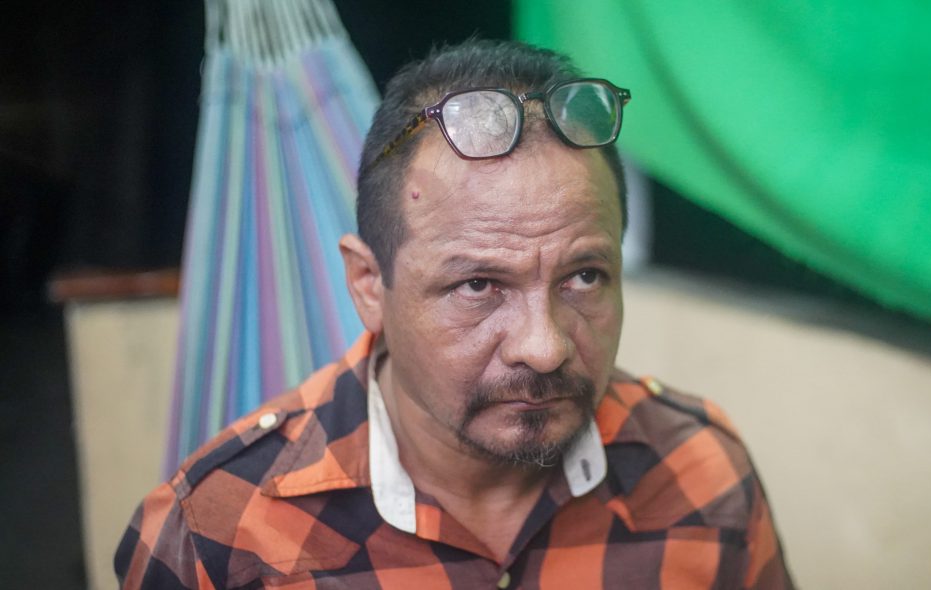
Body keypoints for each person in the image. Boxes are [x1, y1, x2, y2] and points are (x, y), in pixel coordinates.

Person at [115, 39, 793, 589]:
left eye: (585, 276)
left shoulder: (698, 476)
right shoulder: (219, 535)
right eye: (478, 285)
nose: (544, 346)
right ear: (369, 286)